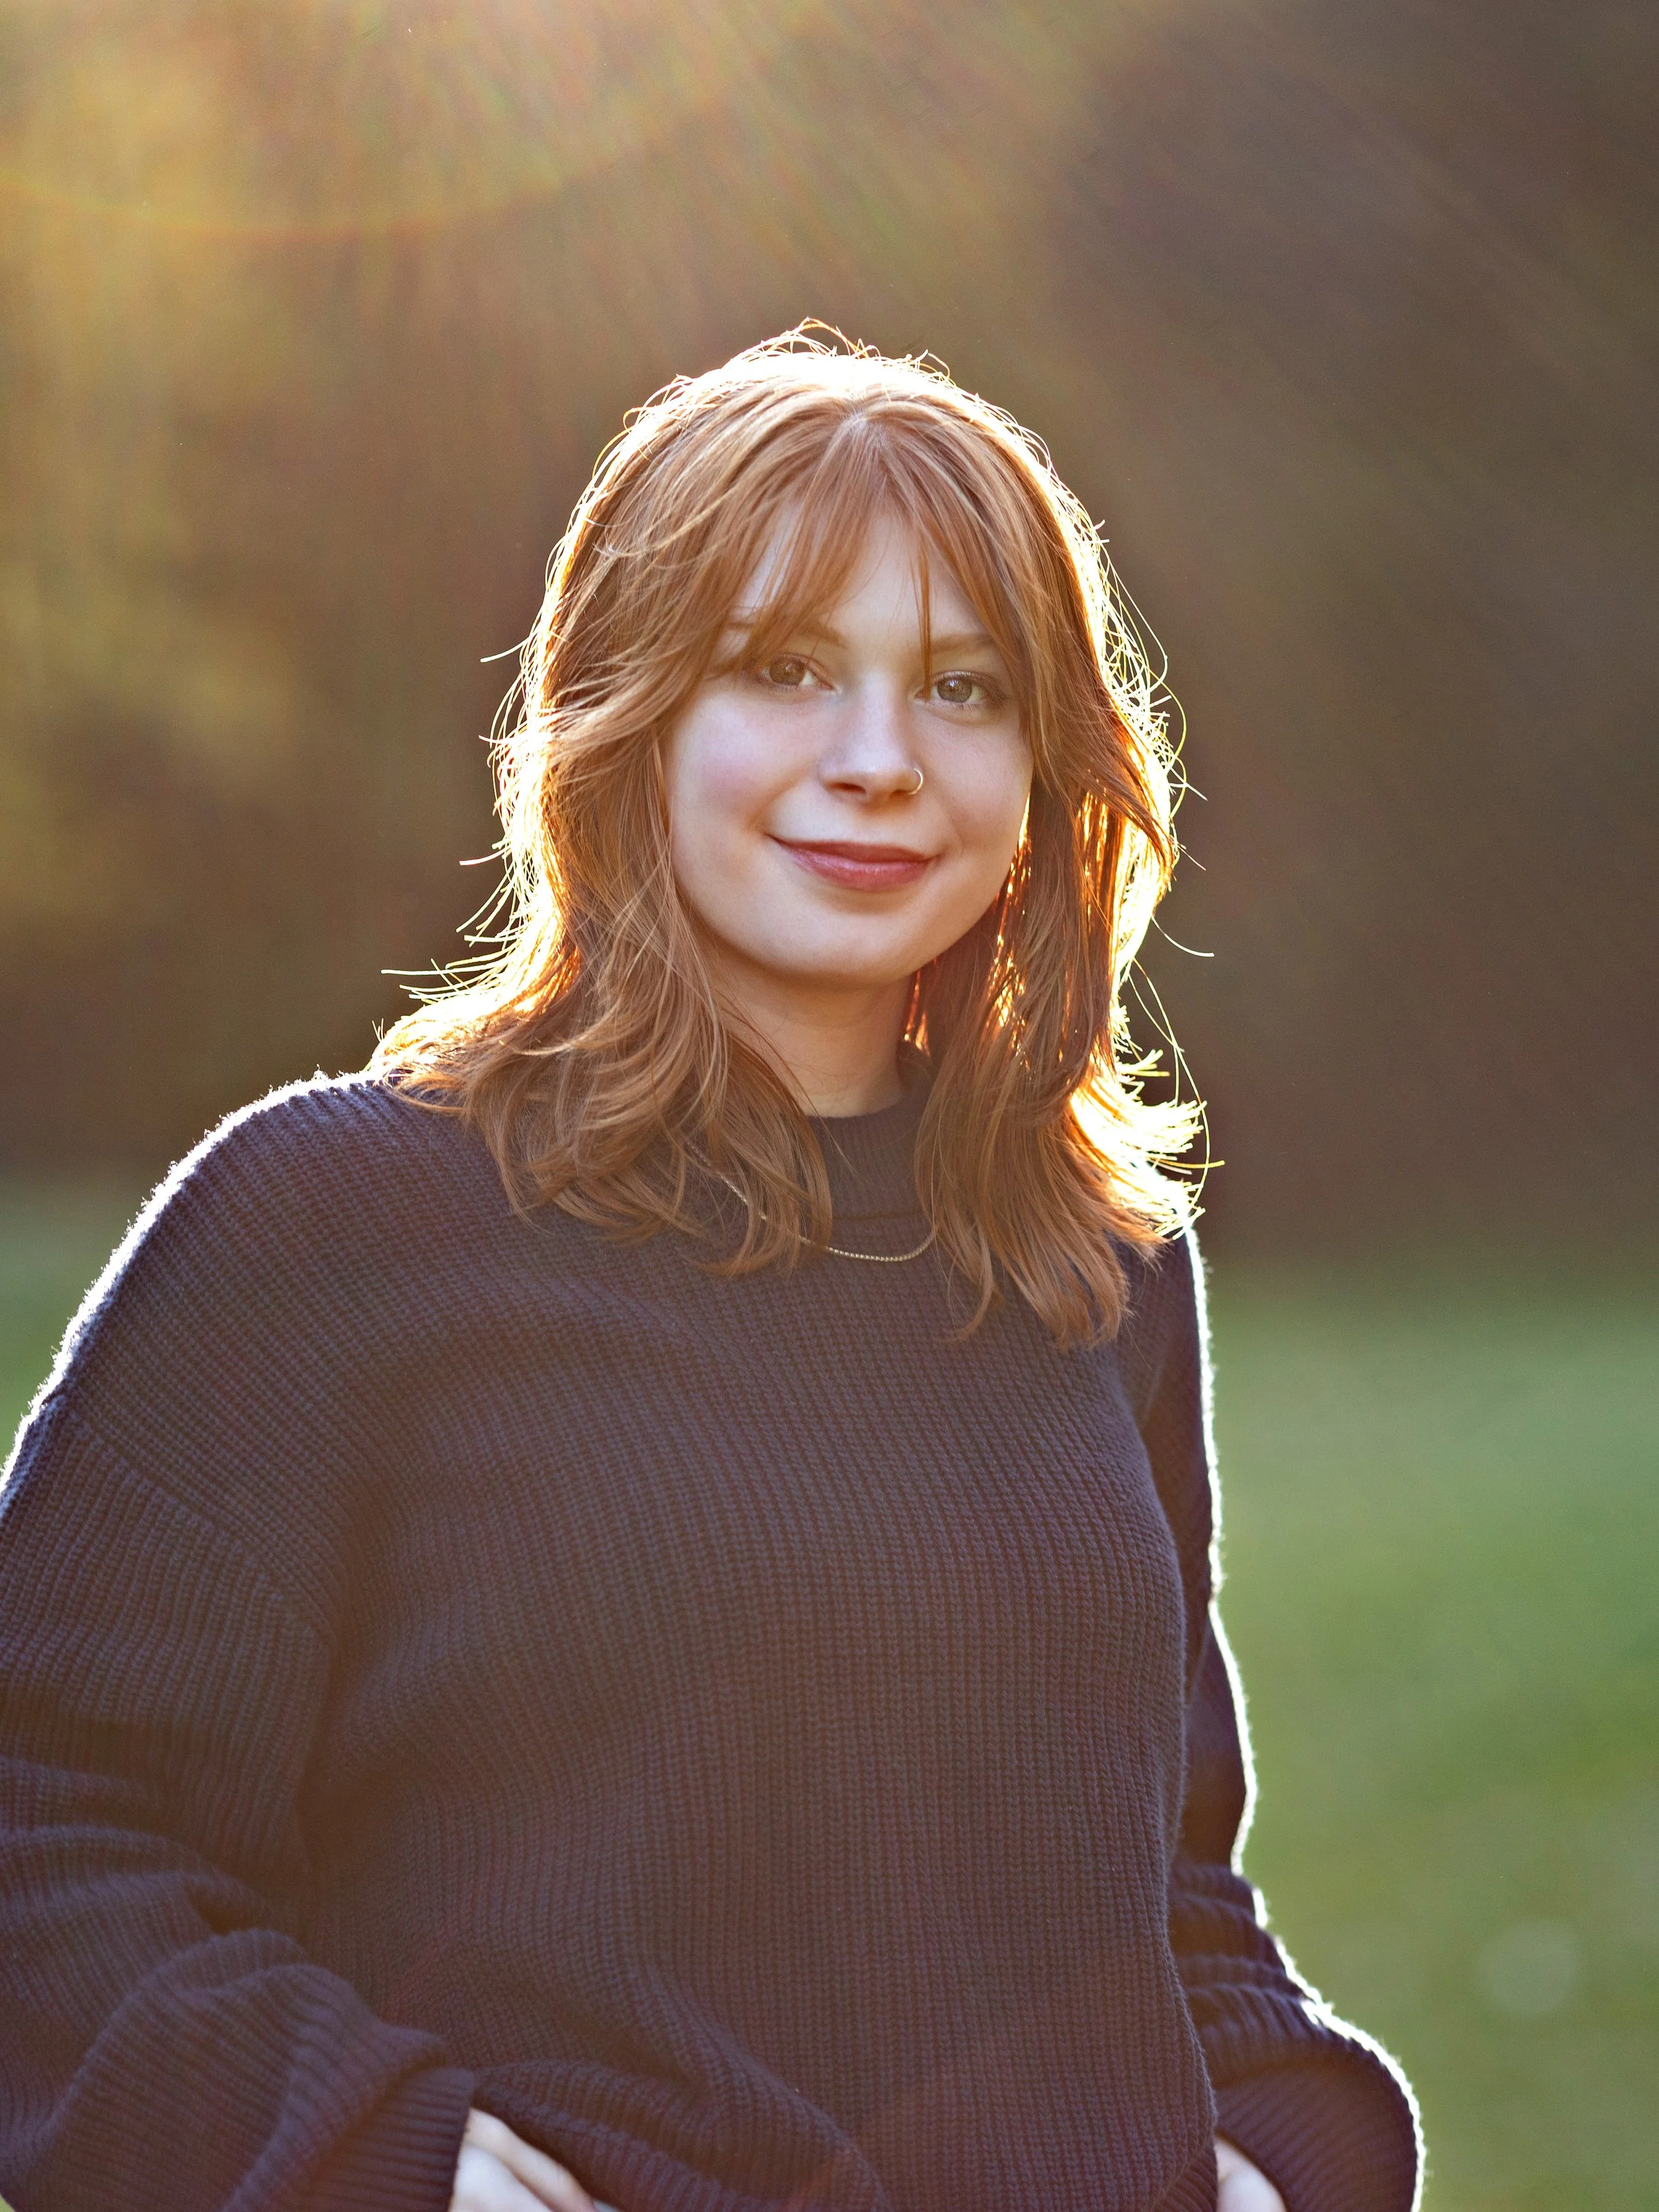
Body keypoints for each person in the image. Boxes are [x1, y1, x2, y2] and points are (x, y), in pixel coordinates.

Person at [0, 332, 1420, 2212]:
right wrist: (390, 2167)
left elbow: (1149, 1889)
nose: (874, 762)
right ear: (628, 712)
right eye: (783, 669)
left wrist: (1279, 2160)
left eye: (961, 687)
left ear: (1043, 767)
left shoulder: (1091, 1270)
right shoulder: (338, 1218)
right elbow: (46, 1820)